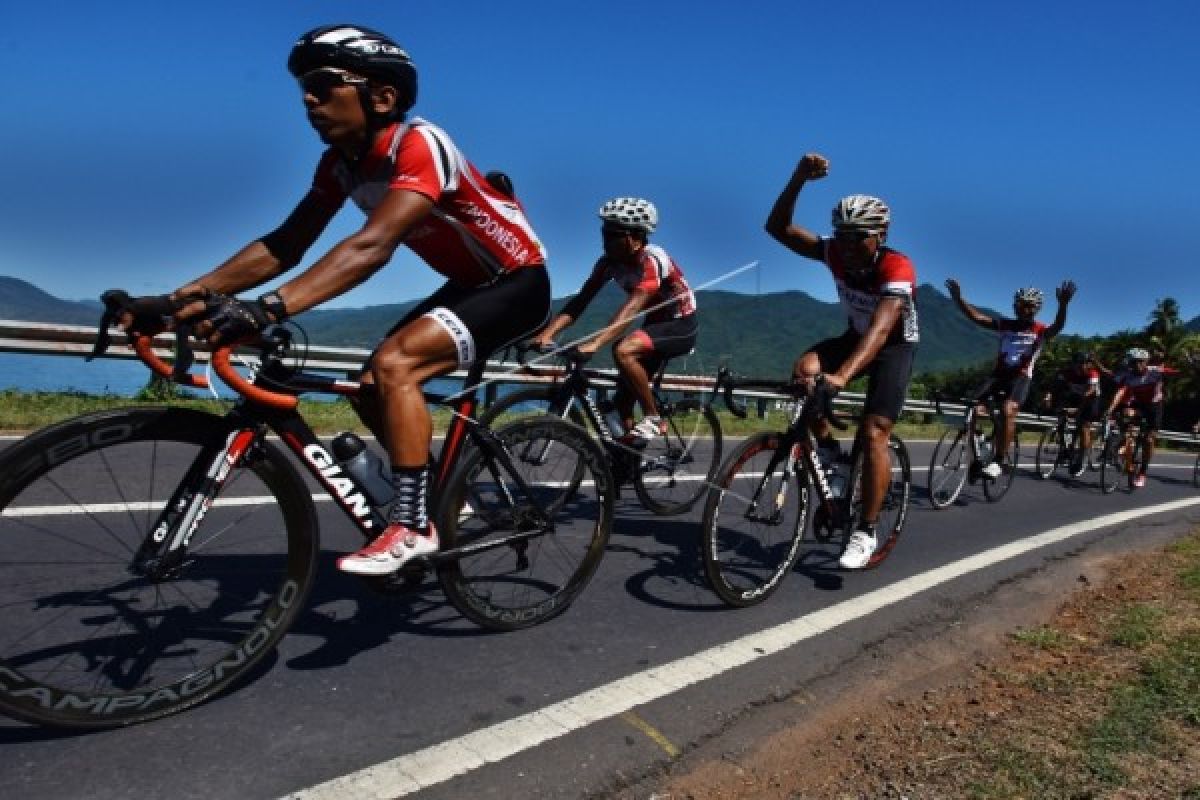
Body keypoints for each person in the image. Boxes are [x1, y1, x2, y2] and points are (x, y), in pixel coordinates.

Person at [162, 24, 551, 575]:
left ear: (382, 96)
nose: (308, 99)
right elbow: (283, 245)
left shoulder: (419, 144)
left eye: (323, 85)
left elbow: (372, 246)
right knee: (372, 384)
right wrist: (180, 297)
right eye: (303, 88)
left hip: (517, 282)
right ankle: (444, 496)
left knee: (396, 365)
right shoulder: (340, 166)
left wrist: (267, 308)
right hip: (469, 286)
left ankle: (414, 524)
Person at [764, 153, 918, 570]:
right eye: (842, 236)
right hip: (855, 336)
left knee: (873, 434)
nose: (848, 246)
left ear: (881, 234)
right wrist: (797, 177)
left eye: (859, 237)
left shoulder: (896, 266)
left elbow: (883, 328)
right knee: (804, 372)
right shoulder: (833, 252)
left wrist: (843, 377)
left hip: (893, 346)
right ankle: (829, 454)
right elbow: (776, 229)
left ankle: (865, 530)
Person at [530, 197, 698, 444]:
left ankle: (653, 418)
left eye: (612, 234)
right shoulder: (608, 263)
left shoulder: (652, 259)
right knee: (622, 403)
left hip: (681, 324)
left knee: (624, 350)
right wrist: (547, 333)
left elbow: (633, 307)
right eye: (603, 232)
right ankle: (629, 460)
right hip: (653, 325)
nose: (605, 239)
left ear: (635, 239)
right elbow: (581, 301)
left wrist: (594, 343)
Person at [945, 278, 1076, 478]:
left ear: (1037, 309)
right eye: (1022, 305)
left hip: (1021, 378)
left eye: (1030, 306)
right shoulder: (1005, 324)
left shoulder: (1039, 330)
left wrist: (1063, 305)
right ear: (1016, 306)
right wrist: (958, 299)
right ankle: (978, 454)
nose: (1025, 309)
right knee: (971, 407)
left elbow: (1057, 327)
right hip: (998, 376)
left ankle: (999, 461)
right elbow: (978, 318)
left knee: (1008, 410)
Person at [1105, 347, 1180, 488]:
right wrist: (1110, 409)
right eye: (1132, 363)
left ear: (1146, 362)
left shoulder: (1155, 371)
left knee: (1149, 439)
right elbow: (1120, 393)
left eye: (1139, 362)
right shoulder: (1128, 375)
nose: (1136, 366)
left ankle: (1143, 472)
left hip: (1154, 407)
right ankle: (1124, 446)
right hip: (1139, 405)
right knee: (1125, 414)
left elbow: (1177, 373)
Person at [1041, 351, 1102, 473]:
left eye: (1083, 364)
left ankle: (1081, 459)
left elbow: (1089, 392)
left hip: (1091, 399)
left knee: (1084, 426)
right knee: (1062, 413)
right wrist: (1048, 397)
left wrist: (1078, 409)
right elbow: (1054, 386)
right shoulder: (1067, 372)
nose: (1080, 367)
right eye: (1077, 364)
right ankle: (1065, 448)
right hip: (1074, 396)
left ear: (1088, 364)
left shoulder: (1093, 373)